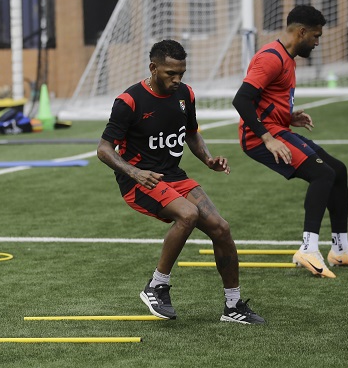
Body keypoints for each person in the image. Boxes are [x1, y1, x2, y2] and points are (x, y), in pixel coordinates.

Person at [97, 39, 265, 324]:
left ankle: (233, 306)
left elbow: (191, 133)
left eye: (181, 74)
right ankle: (156, 286)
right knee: (188, 214)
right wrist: (135, 173)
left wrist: (208, 159)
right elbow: (103, 149)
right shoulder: (129, 101)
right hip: (140, 181)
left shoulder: (186, 94)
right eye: (170, 74)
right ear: (153, 68)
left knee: (221, 229)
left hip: (174, 176)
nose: (177, 80)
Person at [231, 5, 348, 279]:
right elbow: (241, 100)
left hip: (275, 129)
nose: (318, 42)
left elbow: (266, 100)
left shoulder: (288, 57)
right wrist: (267, 138)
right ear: (301, 31)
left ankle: (340, 250)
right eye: (316, 36)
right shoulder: (271, 58)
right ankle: (308, 248)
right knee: (322, 173)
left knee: (338, 171)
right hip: (258, 137)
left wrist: (288, 116)